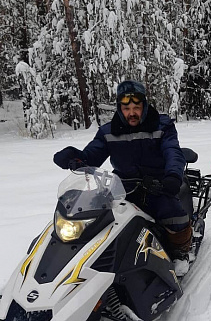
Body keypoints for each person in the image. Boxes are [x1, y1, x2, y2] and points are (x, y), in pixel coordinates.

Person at [53, 80, 192, 276]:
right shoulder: (109, 131)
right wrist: (75, 158)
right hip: (123, 186)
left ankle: (180, 252)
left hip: (158, 183)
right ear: (120, 108)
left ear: (144, 106)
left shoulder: (162, 125)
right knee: (94, 216)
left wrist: (172, 176)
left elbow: (172, 152)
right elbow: (92, 155)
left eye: (136, 107)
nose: (132, 113)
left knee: (173, 214)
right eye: (126, 108)